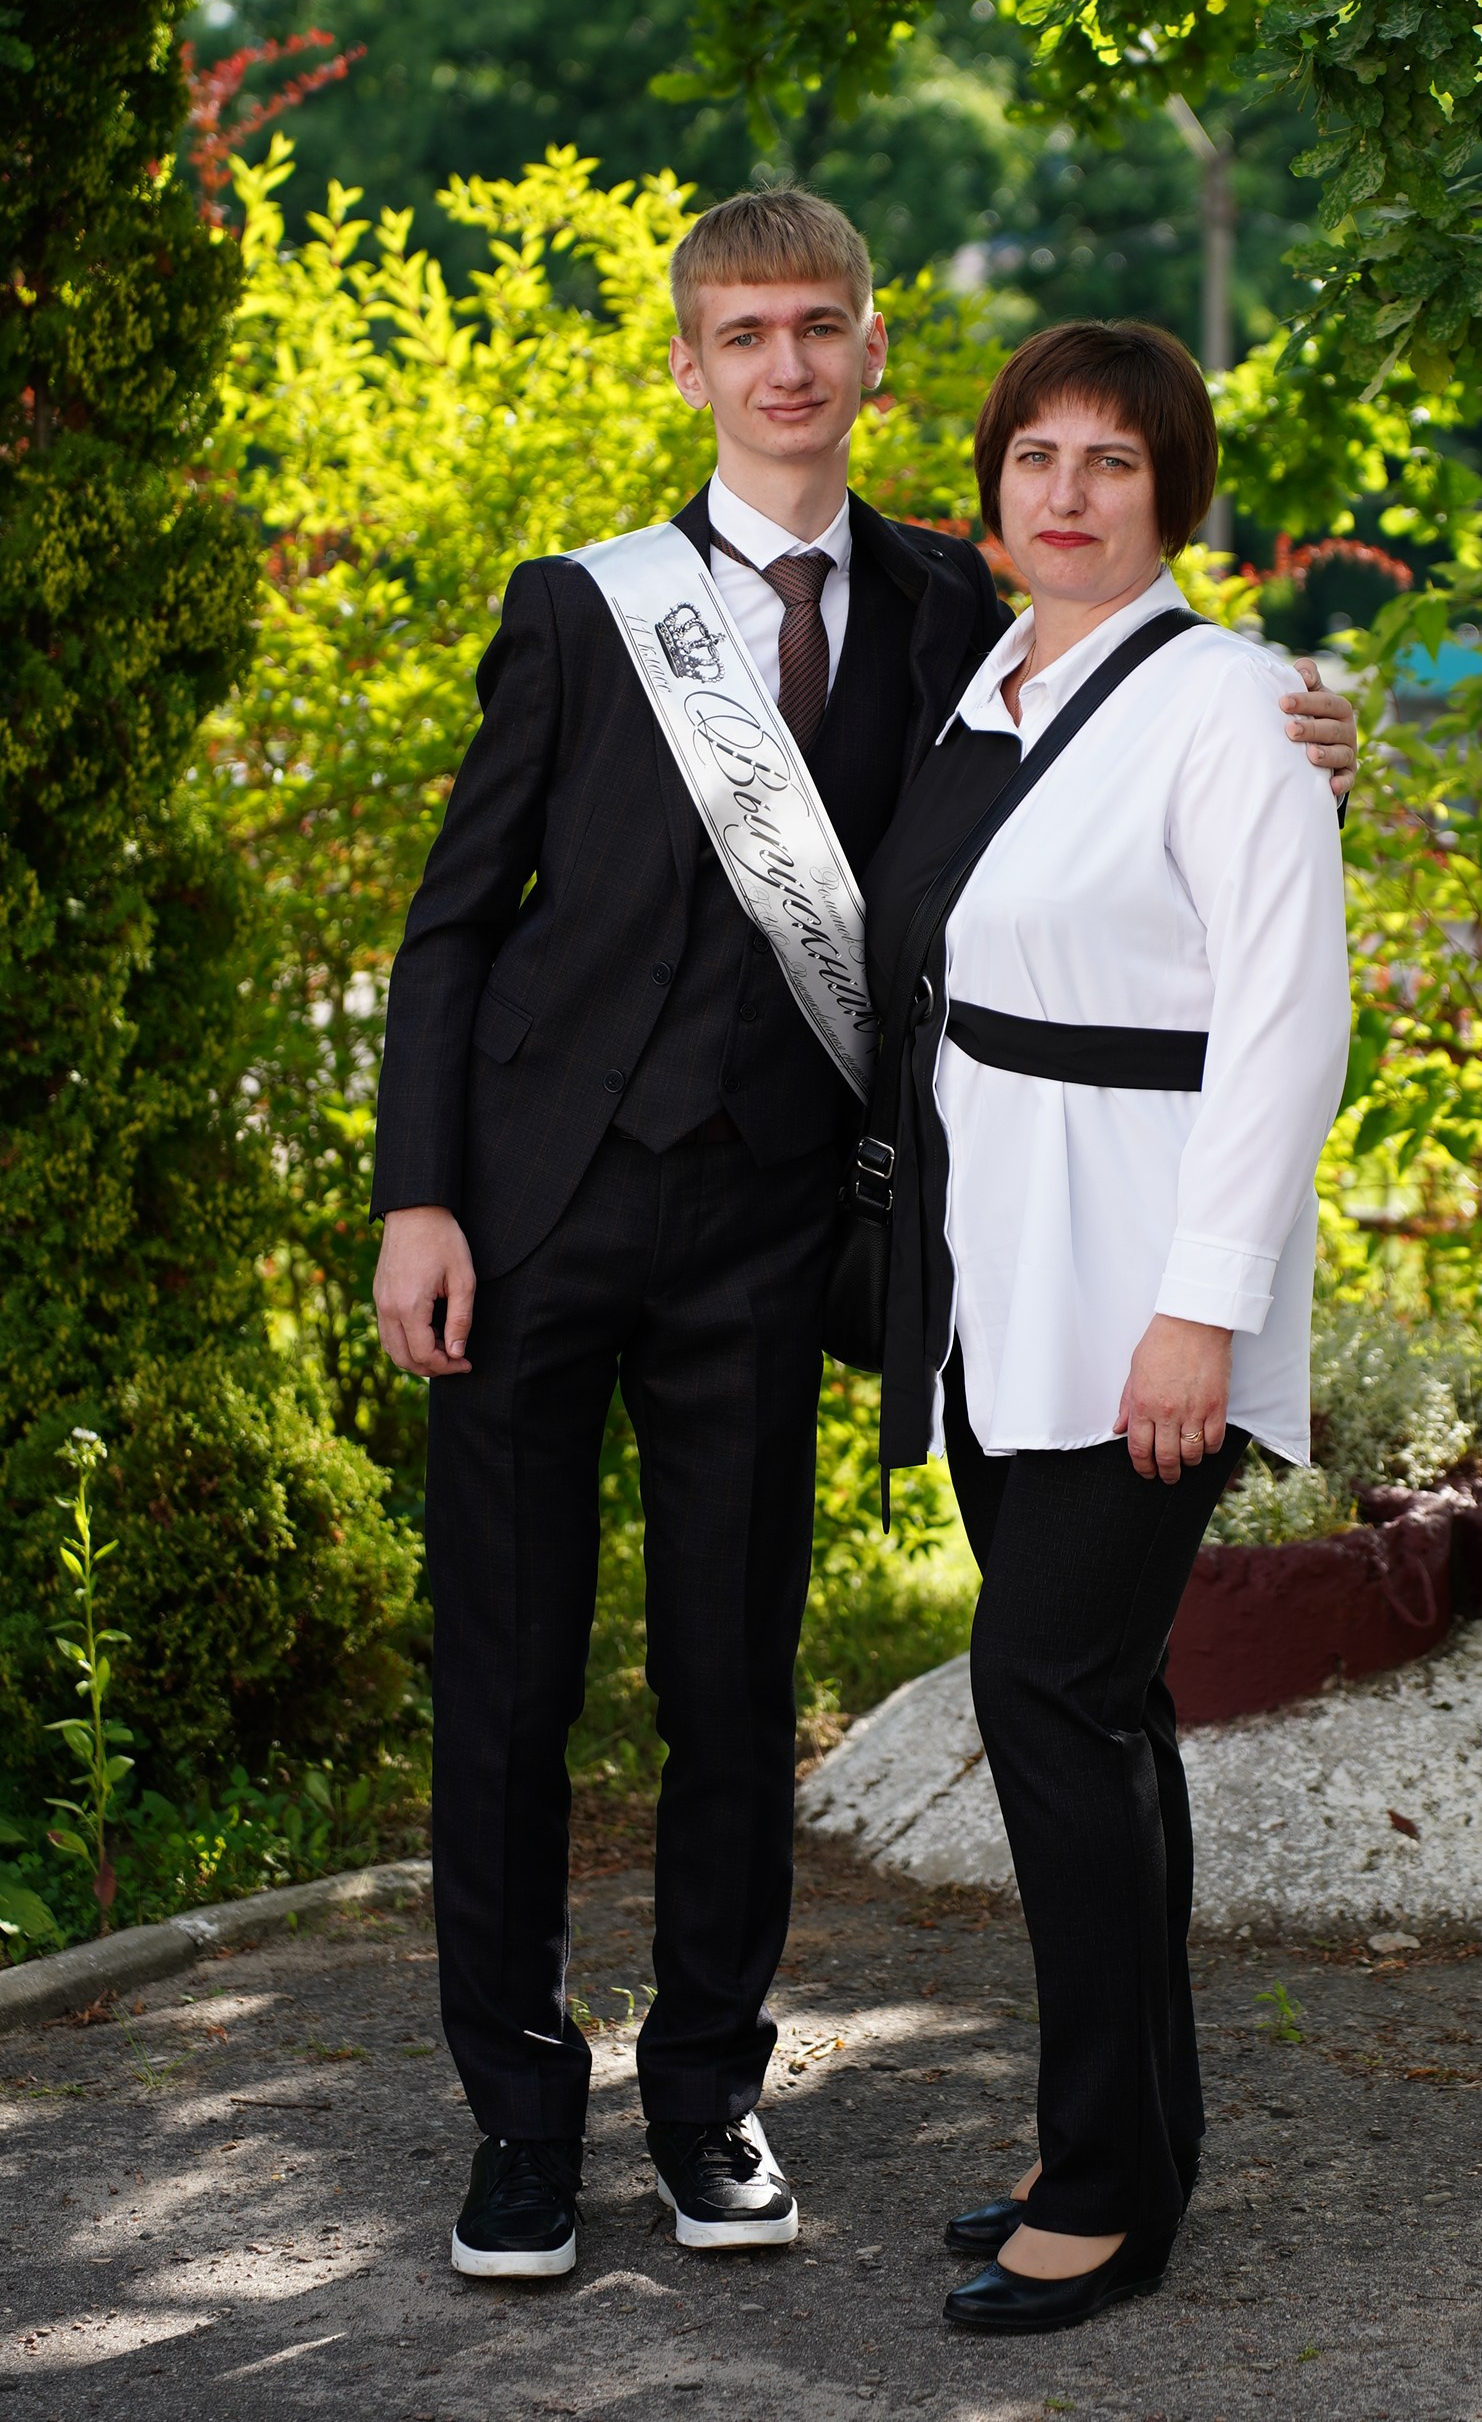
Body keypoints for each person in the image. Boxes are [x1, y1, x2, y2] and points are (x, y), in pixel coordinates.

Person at [367, 189, 1362, 2283]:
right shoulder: (581, 606)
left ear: (875, 351)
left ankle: (713, 2096)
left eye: (820, 325)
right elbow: (454, 924)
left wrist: (1313, 720)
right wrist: (418, 1195)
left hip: (770, 1241)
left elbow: (1147, 717)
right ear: (689, 363)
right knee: (506, 1690)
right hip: (531, 1227)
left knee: (734, 1693)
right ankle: (519, 2122)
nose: (787, 365)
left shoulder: (952, 606)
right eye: (744, 333)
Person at [860, 320, 1351, 2334]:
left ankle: (1107, 2187)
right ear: (991, 485)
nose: (1063, 494)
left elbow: (1283, 1027)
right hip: (1000, 1280)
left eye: (1112, 464)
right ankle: (1129, 2144)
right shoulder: (977, 688)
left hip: (1142, 1292)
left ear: (1175, 496)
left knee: (1049, 1703)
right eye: (1033, 456)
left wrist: (1198, 1321)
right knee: (1094, 1716)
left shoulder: (1239, 705)